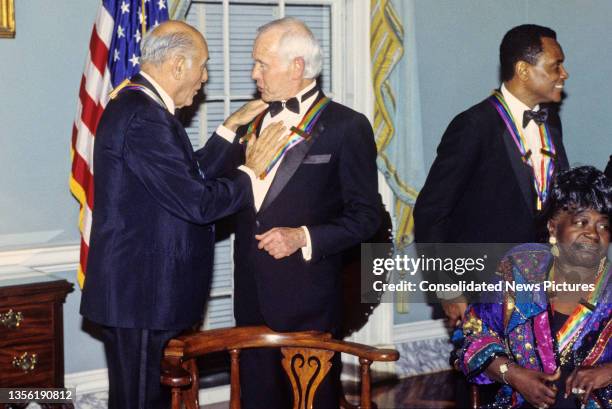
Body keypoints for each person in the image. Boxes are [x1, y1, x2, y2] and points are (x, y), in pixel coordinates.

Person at [79, 21, 287, 409]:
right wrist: (251, 171)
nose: (204, 79)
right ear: (177, 65)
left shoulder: (141, 106)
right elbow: (198, 202)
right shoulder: (144, 117)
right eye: (202, 66)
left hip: (140, 298)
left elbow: (183, 177)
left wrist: (228, 129)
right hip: (141, 298)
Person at [215, 17, 380, 408]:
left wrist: (303, 237)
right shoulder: (247, 123)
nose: (253, 73)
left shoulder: (347, 126)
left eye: (261, 64)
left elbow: (366, 216)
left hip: (309, 302)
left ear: (297, 67)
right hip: (251, 300)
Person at [414, 24, 570, 323]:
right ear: (524, 70)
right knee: (490, 371)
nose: (564, 74)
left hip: (540, 288)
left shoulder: (552, 124)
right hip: (484, 290)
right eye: (556, 66)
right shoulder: (473, 125)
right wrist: (446, 288)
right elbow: (430, 212)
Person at [456, 166, 611, 409]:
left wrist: (608, 371)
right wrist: (514, 375)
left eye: (603, 225)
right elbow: (473, 334)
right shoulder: (520, 269)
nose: (593, 234)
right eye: (582, 222)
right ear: (553, 227)